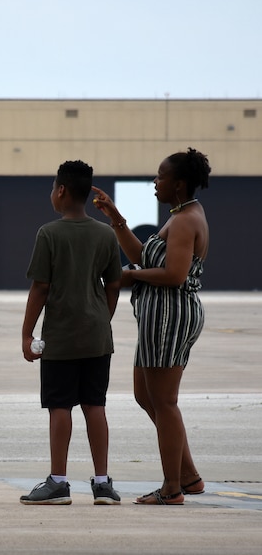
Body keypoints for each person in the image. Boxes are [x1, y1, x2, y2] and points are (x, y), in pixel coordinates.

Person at [91, 147, 211, 505]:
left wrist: (125, 277)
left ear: (179, 184)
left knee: (164, 401)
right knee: (147, 396)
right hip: (158, 315)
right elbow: (144, 256)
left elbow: (174, 275)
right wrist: (117, 219)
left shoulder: (187, 220)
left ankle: (172, 488)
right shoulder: (181, 215)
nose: (155, 183)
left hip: (170, 315)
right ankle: (188, 476)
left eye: (160, 177)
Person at [20, 160, 122, 505]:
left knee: (59, 406)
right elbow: (114, 286)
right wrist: (101, 319)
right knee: (95, 405)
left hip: (61, 337)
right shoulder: (106, 234)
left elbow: (41, 288)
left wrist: (25, 334)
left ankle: (59, 483)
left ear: (61, 191)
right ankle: (103, 484)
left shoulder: (48, 233)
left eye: (53, 188)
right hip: (97, 335)